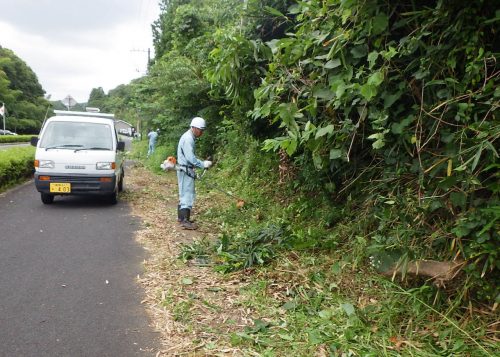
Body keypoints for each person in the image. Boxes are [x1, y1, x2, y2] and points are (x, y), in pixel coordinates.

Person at [176, 117, 212, 230]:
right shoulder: (188, 139)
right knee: (187, 194)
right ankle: (185, 221)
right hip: (185, 169)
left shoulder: (190, 136)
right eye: (201, 130)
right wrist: (203, 164)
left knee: (185, 193)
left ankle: (182, 218)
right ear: (194, 128)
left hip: (186, 169)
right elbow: (190, 158)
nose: (202, 132)